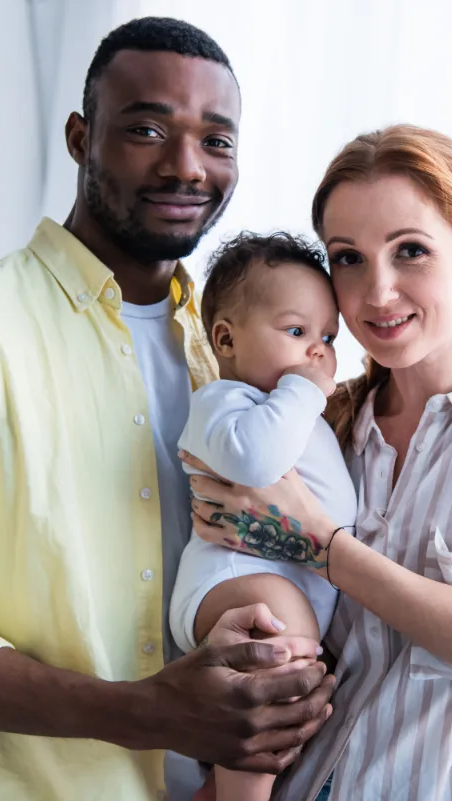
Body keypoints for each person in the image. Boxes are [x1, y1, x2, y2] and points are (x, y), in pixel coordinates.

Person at [0, 16, 452, 801]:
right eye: (147, 128)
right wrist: (145, 712)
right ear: (79, 137)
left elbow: (352, 586)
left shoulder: (233, 345)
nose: (185, 165)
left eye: (217, 140)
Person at [184, 124, 452, 800]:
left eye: (410, 251)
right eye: (349, 258)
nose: (378, 291)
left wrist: (326, 545)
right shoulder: (315, 431)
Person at [168, 232, 357, 801]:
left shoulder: (296, 411)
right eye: (297, 332)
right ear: (225, 339)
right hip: (234, 584)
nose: (317, 352)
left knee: (285, 700)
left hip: (284, 590)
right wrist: (304, 390)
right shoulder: (226, 403)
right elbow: (256, 461)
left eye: (327, 336)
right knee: (277, 646)